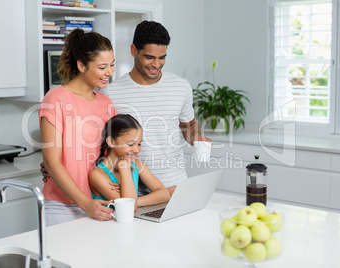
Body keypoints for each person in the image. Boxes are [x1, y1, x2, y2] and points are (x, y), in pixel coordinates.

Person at [101, 20, 211, 196]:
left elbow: (188, 125)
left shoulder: (181, 86)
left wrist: (197, 138)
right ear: (133, 50)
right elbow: (104, 142)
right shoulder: (111, 92)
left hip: (176, 185)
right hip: (131, 189)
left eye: (162, 58)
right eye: (149, 57)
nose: (156, 64)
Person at [39, 29, 117, 225]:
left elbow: (112, 155)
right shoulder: (55, 99)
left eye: (112, 65)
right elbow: (52, 162)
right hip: (62, 206)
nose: (109, 72)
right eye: (102, 67)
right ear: (81, 65)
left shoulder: (106, 103)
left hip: (100, 203)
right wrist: (85, 203)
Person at [89, 114, 170, 208]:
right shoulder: (97, 175)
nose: (136, 150)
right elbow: (128, 208)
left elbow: (165, 194)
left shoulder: (136, 162)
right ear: (111, 142)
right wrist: (124, 168)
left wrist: (134, 201)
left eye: (139, 144)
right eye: (130, 144)